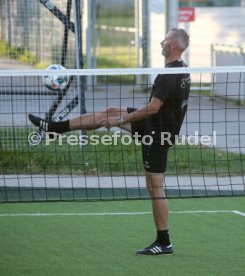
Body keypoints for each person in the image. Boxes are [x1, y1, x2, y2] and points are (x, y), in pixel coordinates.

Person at [28, 28, 190, 256]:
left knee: (156, 188)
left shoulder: (171, 74)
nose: (162, 42)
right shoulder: (182, 69)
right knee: (108, 111)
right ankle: (55, 128)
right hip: (155, 124)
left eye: (166, 40)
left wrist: (121, 120)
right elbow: (160, 108)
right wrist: (118, 117)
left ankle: (164, 242)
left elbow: (153, 107)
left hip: (158, 135)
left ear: (174, 46)